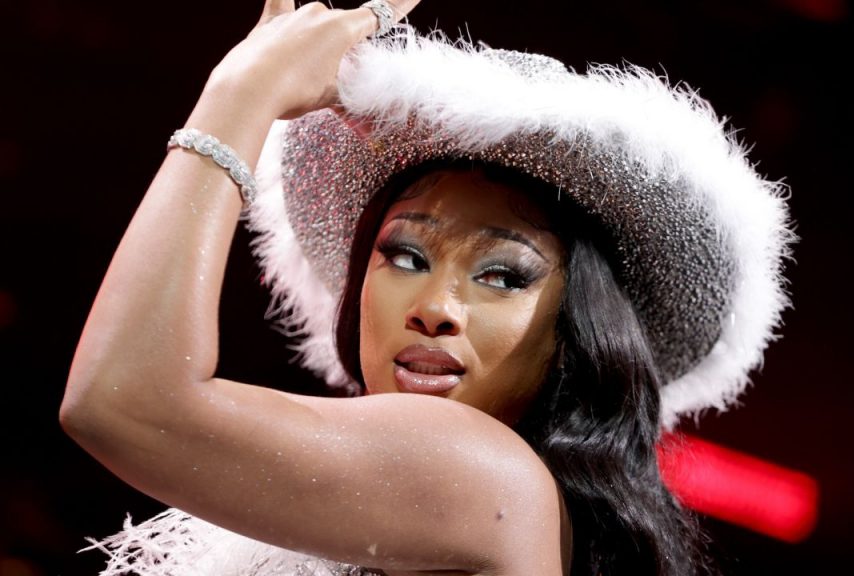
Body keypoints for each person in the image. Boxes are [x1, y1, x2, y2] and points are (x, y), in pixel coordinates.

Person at [60, 1, 793, 575]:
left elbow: (122, 399)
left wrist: (242, 93)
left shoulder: (486, 477)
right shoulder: (520, 508)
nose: (436, 309)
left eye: (502, 275)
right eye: (406, 257)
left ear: (576, 333)